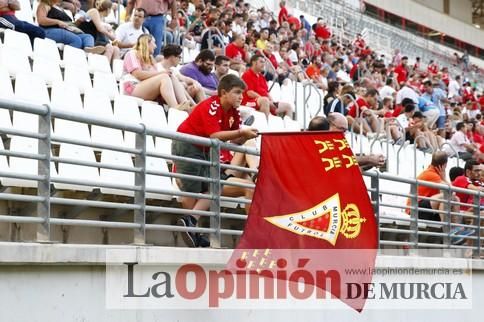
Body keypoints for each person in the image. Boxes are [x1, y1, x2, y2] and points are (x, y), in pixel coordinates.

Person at [173, 74, 259, 247]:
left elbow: (233, 140)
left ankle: (190, 223)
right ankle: (191, 227)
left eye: (242, 93)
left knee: (215, 184)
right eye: (237, 92)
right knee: (194, 190)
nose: (241, 96)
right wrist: (242, 133)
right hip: (188, 146)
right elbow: (216, 136)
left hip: (205, 150)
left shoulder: (234, 112)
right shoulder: (211, 105)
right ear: (224, 93)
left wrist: (246, 136)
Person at [121, 34, 189, 110]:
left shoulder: (151, 58)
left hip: (143, 87)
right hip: (132, 88)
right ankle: (175, 107)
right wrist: (162, 73)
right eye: (154, 43)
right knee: (164, 76)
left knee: (171, 76)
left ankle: (187, 106)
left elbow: (155, 76)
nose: (156, 46)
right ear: (147, 43)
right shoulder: (132, 53)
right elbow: (138, 74)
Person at [307, 113, 386, 171]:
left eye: (345, 130)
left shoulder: (335, 144)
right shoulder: (311, 145)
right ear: (330, 126)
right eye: (342, 129)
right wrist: (369, 159)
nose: (344, 134)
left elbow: (352, 167)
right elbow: (338, 160)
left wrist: (372, 162)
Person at [36, 0, 103, 52]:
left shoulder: (59, 8)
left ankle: (88, 49)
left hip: (64, 30)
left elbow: (70, 25)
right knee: (76, 40)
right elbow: (41, 20)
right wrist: (58, 22)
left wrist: (78, 21)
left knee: (88, 37)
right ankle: (66, 57)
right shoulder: (44, 4)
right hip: (48, 30)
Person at [241, 54, 293, 118]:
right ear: (254, 62)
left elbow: (267, 92)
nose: (263, 64)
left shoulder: (262, 77)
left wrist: (272, 102)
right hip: (249, 102)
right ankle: (267, 126)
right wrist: (266, 100)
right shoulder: (247, 75)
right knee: (264, 101)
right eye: (261, 62)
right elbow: (250, 93)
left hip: (265, 101)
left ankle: (288, 127)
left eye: (264, 62)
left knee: (288, 106)